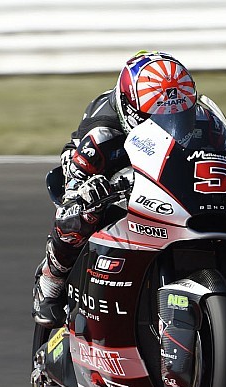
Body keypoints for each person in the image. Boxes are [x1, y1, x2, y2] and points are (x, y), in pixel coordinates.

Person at [32, 50, 202, 327]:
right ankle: (51, 280)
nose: (172, 124)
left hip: (159, 164)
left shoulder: (192, 114)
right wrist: (86, 191)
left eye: (179, 115)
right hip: (98, 166)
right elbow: (74, 189)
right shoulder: (102, 135)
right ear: (131, 109)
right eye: (157, 117)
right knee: (77, 216)